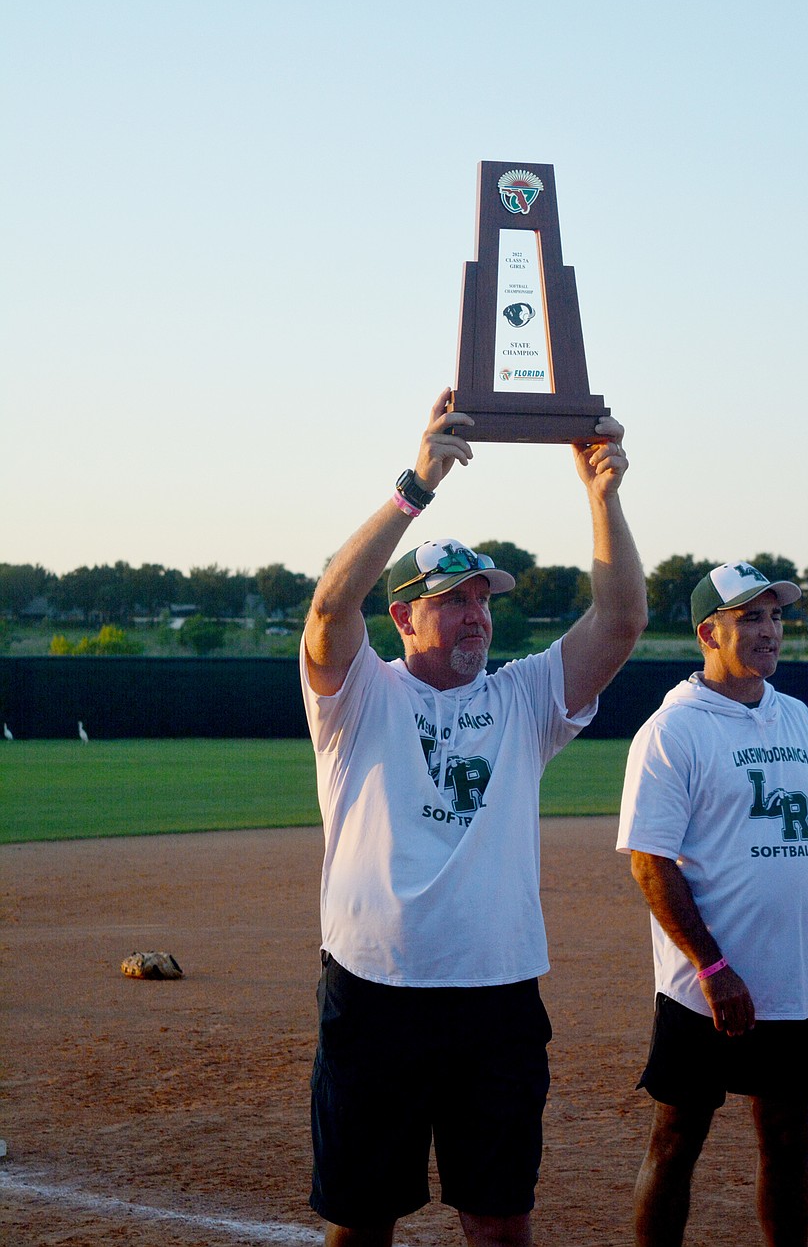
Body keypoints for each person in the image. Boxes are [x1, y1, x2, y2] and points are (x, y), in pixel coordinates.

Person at [300, 387, 647, 1247]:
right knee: (362, 1219)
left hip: (496, 995)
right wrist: (415, 486)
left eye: (483, 599)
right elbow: (326, 610)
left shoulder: (523, 695)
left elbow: (622, 618)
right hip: (375, 990)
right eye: (455, 598)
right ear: (405, 613)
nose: (477, 615)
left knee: (499, 1217)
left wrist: (603, 497)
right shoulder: (359, 694)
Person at [617, 560, 808, 1247]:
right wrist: (714, 970)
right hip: (703, 990)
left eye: (776, 615)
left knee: (787, 1137)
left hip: (795, 981)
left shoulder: (798, 719)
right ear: (707, 633)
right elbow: (649, 863)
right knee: (677, 1136)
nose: (770, 630)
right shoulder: (675, 728)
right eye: (751, 616)